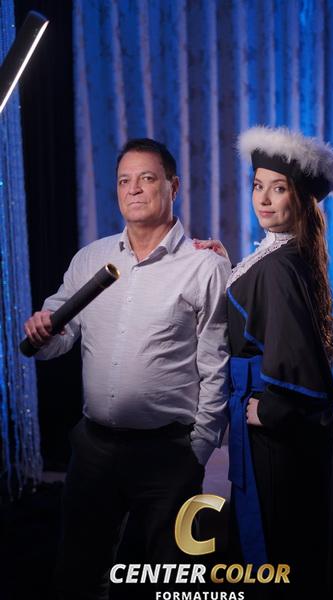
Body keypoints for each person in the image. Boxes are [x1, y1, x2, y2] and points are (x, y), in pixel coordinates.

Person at [24, 138, 230, 599]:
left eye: (147, 178)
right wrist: (42, 332)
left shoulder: (203, 266)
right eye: (123, 180)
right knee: (78, 576)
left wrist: (198, 450)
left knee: (172, 581)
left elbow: (216, 366)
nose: (133, 189)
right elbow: (58, 338)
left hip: (169, 454)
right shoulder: (91, 259)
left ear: (173, 186)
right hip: (93, 449)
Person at [194, 126, 333, 599]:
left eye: (278, 188)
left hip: (276, 431)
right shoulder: (282, 253)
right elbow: (264, 313)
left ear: (300, 198)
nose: (263, 199)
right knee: (294, 538)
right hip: (285, 429)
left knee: (277, 541)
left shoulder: (278, 266)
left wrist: (273, 408)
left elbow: (293, 352)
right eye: (257, 185)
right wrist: (232, 267)